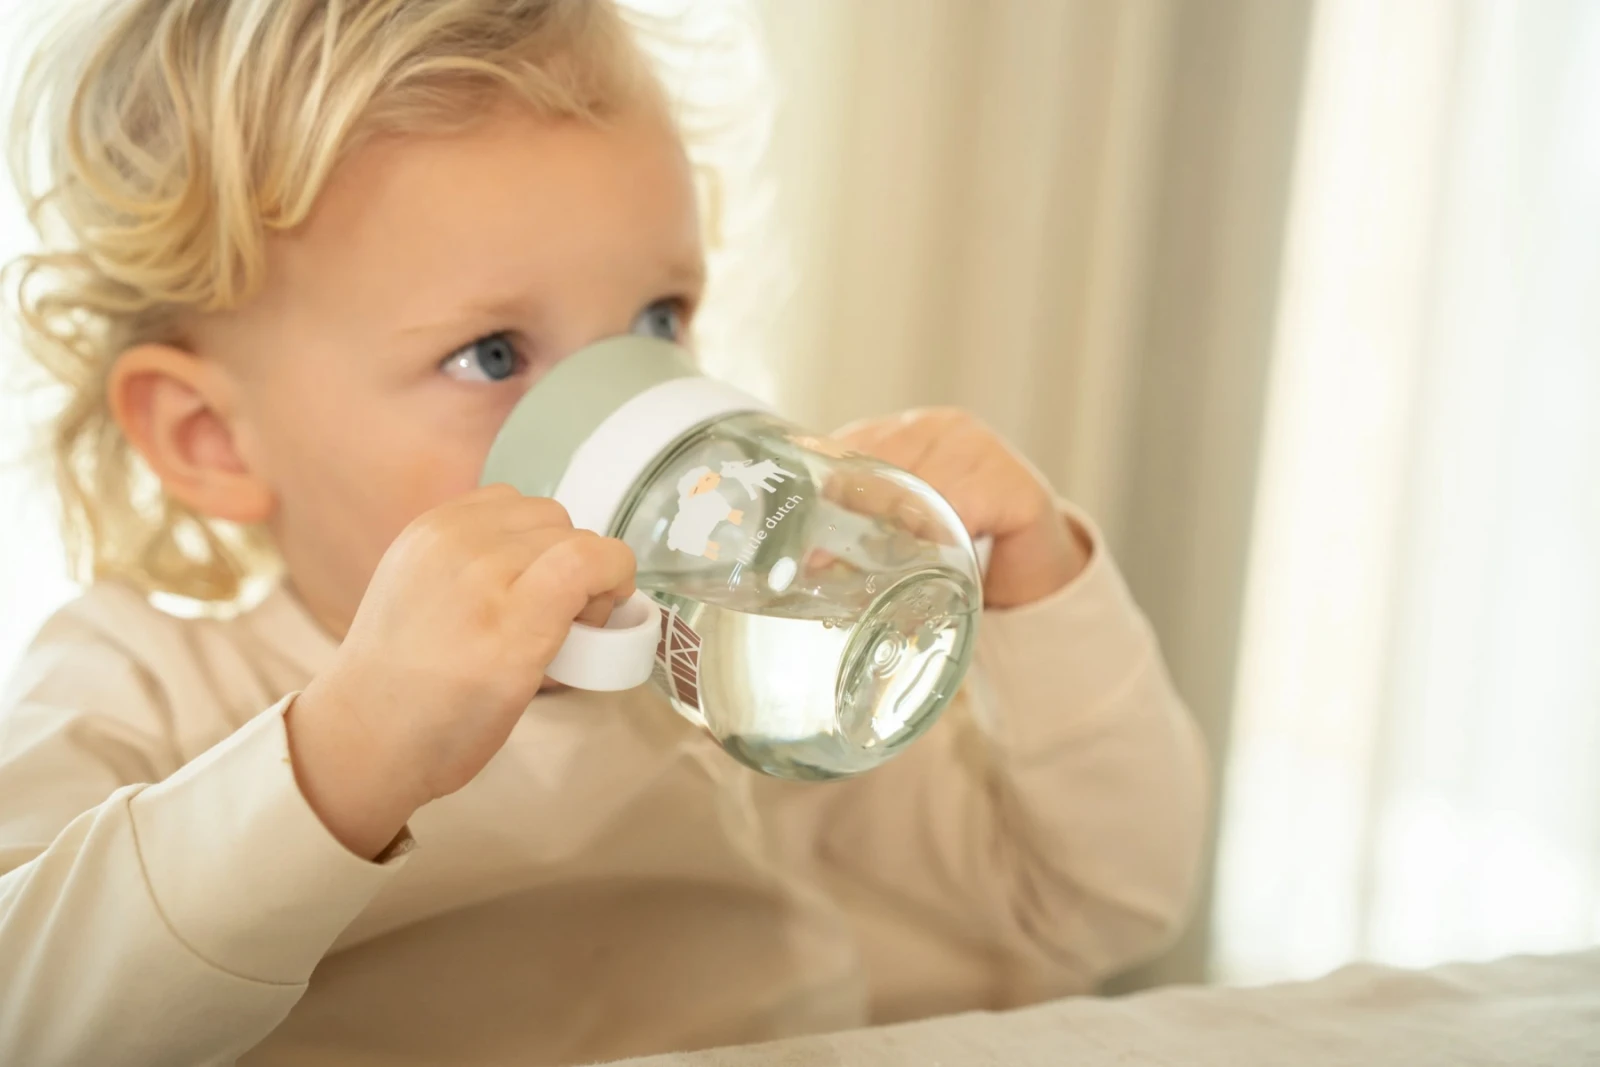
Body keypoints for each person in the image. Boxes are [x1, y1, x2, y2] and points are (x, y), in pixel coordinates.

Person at [0, 1, 1209, 1064]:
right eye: (491, 354)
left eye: (656, 319)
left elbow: (1100, 902)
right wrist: (342, 756)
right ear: (212, 438)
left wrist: (1046, 590)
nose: (629, 402)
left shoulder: (735, 660)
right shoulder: (146, 685)